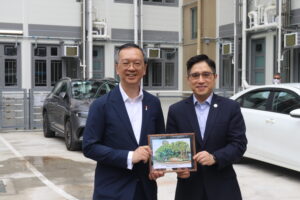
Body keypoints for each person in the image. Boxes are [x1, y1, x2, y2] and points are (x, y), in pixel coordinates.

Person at [83, 43, 165, 200]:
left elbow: (159, 140)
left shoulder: (153, 103)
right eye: (126, 63)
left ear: (145, 68)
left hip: (145, 190)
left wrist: (157, 165)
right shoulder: (101, 105)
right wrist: (129, 156)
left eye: (137, 63)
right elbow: (90, 147)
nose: (131, 68)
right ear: (117, 68)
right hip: (112, 191)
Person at [166, 54, 247, 200]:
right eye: (195, 75)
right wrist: (177, 168)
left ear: (215, 77)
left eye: (206, 75)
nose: (201, 80)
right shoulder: (176, 111)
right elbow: (171, 148)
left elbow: (239, 145)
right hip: (188, 189)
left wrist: (215, 157)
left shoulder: (230, 107)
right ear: (188, 79)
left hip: (223, 188)